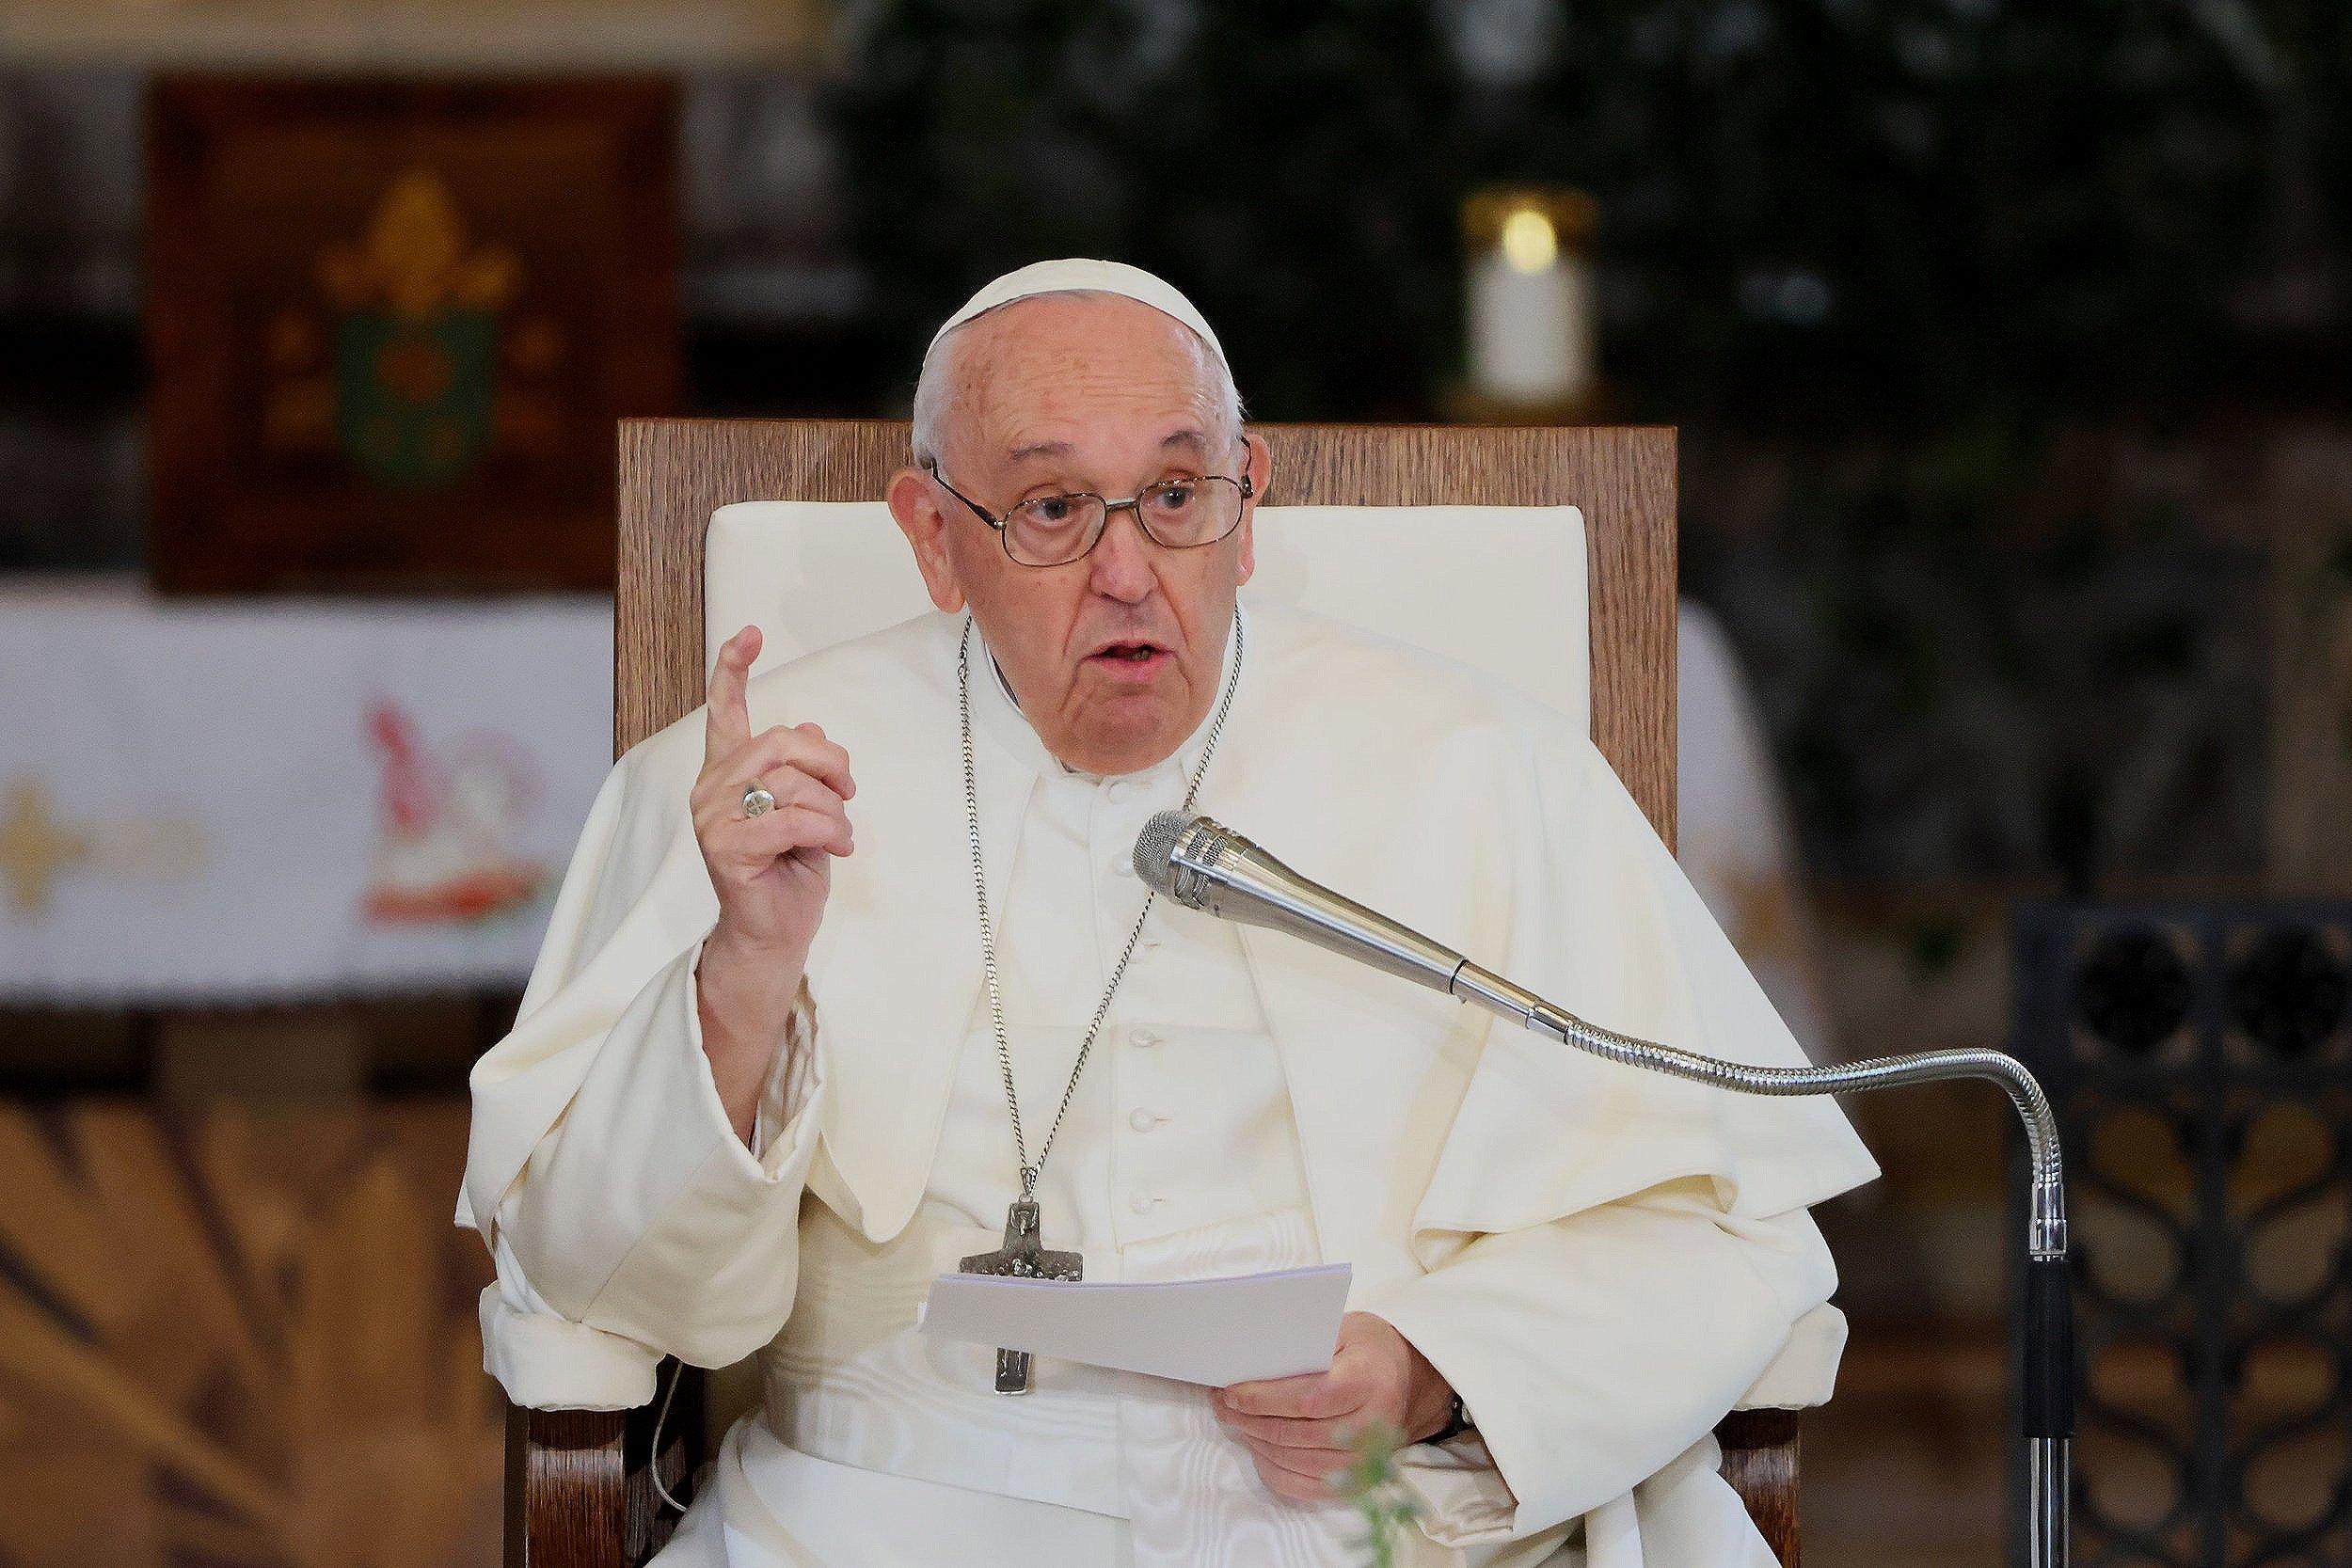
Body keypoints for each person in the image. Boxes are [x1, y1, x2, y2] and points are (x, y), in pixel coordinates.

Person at [460, 259, 1879, 1567]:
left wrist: (1437, 1366)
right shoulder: (758, 794)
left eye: (1180, 495)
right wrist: (740, 979)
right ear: (934, 538)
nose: (1129, 572)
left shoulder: (1478, 768)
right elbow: (606, 1282)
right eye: (1053, 509)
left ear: (1249, 506)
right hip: (889, 1513)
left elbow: (1725, 1223)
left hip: (1365, 1522)